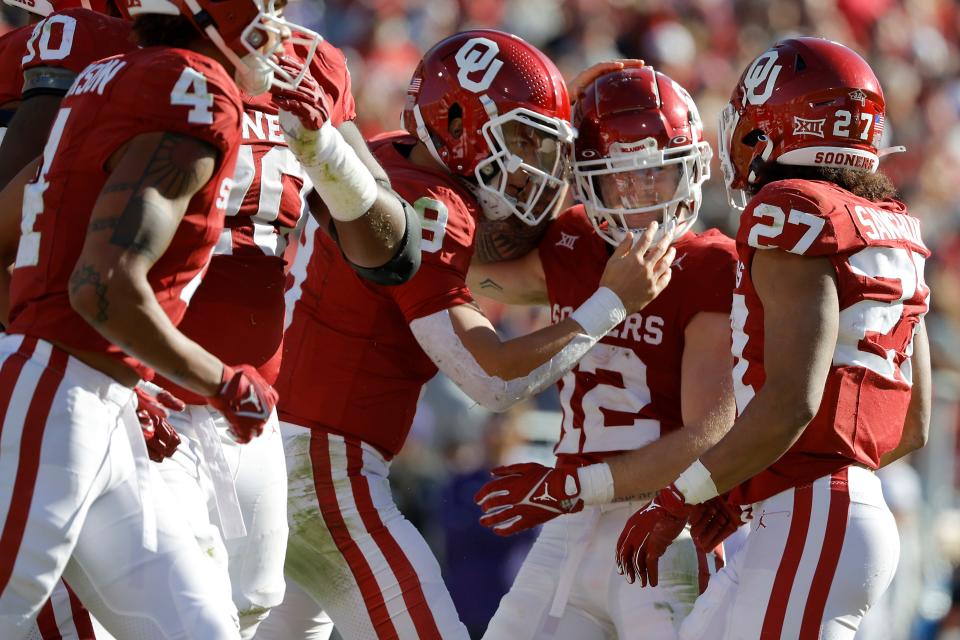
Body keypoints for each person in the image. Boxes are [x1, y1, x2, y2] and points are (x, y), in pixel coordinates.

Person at [266, 29, 675, 640]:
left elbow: (480, 252)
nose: (535, 164)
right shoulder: (431, 202)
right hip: (324, 471)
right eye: (521, 139)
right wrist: (610, 304)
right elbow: (489, 377)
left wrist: (565, 102)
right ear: (455, 120)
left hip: (282, 448)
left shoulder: (390, 157)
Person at [0, 0, 317, 635]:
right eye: (265, 8)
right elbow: (105, 287)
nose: (279, 28)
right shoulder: (196, 89)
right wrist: (222, 382)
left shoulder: (112, 69)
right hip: (58, 393)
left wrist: (131, 373)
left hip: (94, 394)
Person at [609, 37, 931, 640]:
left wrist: (682, 496)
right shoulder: (897, 231)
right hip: (827, 513)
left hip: (811, 518)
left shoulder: (788, 209)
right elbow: (911, 426)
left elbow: (792, 400)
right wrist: (748, 485)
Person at [140, 23, 421, 639]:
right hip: (143, 402)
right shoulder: (129, 43)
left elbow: (394, 252)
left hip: (248, 413)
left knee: (249, 610)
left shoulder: (310, 61)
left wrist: (326, 151)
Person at [470, 66, 737, 639]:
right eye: (623, 179)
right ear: (587, 181)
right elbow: (473, 276)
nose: (642, 195)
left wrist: (569, 486)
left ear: (690, 172)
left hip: (663, 523)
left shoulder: (709, 264)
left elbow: (708, 436)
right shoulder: (571, 242)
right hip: (568, 526)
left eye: (658, 176)